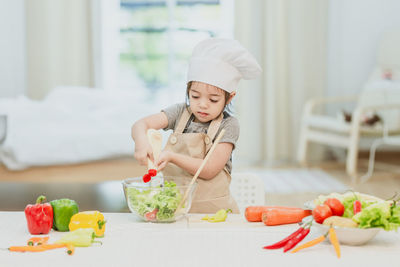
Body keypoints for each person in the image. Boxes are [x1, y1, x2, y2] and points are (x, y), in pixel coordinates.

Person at [131, 38, 261, 213]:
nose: (202, 105)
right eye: (195, 96)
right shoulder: (179, 113)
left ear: (229, 97)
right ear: (188, 91)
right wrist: (141, 142)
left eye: (213, 99)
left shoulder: (229, 125)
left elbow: (209, 170)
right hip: (175, 210)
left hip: (215, 214)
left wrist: (171, 156)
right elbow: (141, 124)